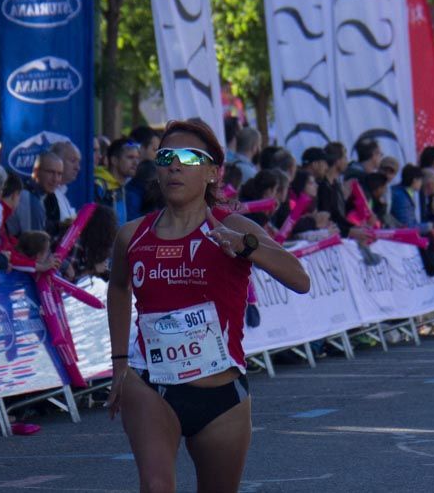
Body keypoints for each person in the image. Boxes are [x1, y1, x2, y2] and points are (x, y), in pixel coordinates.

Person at [106, 119, 309, 493]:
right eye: (166, 156)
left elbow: (300, 279)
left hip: (222, 395)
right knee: (155, 486)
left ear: (213, 173)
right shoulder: (132, 235)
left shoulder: (232, 226)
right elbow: (118, 288)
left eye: (189, 157)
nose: (175, 165)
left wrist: (246, 245)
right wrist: (120, 362)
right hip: (152, 384)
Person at [95, 138, 140, 225]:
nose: (136, 162)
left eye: (137, 158)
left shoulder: (129, 189)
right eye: (130, 157)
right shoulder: (99, 186)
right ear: (114, 160)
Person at [390, 164, 432, 233]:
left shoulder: (405, 194)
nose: (421, 183)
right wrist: (428, 226)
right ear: (415, 180)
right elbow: (407, 226)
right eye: (420, 180)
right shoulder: (401, 198)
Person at [49, 140, 82, 220]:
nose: (78, 168)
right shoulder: (47, 195)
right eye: (73, 161)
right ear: (57, 161)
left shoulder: (62, 194)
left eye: (79, 162)